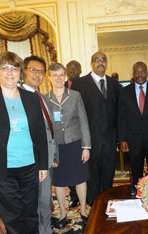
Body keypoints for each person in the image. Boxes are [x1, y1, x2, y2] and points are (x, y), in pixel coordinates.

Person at [0, 51, 48, 234]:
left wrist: (43, 164)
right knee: (13, 217)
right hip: (1, 171)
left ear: (20, 73)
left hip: (30, 168)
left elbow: (40, 133)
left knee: (31, 214)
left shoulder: (31, 98)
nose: (9, 72)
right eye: (4, 68)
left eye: (14, 68)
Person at [44, 63, 91, 229]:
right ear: (49, 77)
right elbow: (46, 127)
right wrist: (50, 153)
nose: (58, 78)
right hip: (57, 146)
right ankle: (63, 213)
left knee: (80, 179)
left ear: (65, 77)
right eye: (55, 75)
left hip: (75, 144)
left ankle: (83, 210)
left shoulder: (75, 96)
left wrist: (86, 147)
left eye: (61, 75)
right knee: (60, 182)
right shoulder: (44, 98)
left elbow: (84, 121)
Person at [72, 51, 121, 205]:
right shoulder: (80, 84)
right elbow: (75, 113)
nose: (101, 62)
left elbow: (120, 112)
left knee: (108, 172)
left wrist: (120, 137)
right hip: (89, 139)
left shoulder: (114, 84)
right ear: (91, 63)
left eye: (103, 59)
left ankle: (107, 199)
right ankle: (93, 203)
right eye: (97, 60)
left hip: (110, 139)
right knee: (92, 172)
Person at [21, 55, 57, 234]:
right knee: (33, 200)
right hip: (30, 160)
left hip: (47, 158)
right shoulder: (18, 97)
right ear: (23, 71)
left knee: (45, 198)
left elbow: (50, 128)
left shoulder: (41, 97)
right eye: (33, 70)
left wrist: (54, 155)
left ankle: (46, 229)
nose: (38, 74)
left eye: (41, 71)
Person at [65, 60, 82, 208]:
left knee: (83, 166)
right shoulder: (60, 86)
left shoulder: (86, 85)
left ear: (80, 70)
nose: (72, 70)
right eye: (69, 68)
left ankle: (86, 195)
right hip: (67, 135)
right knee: (69, 167)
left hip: (82, 133)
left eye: (75, 68)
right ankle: (73, 196)